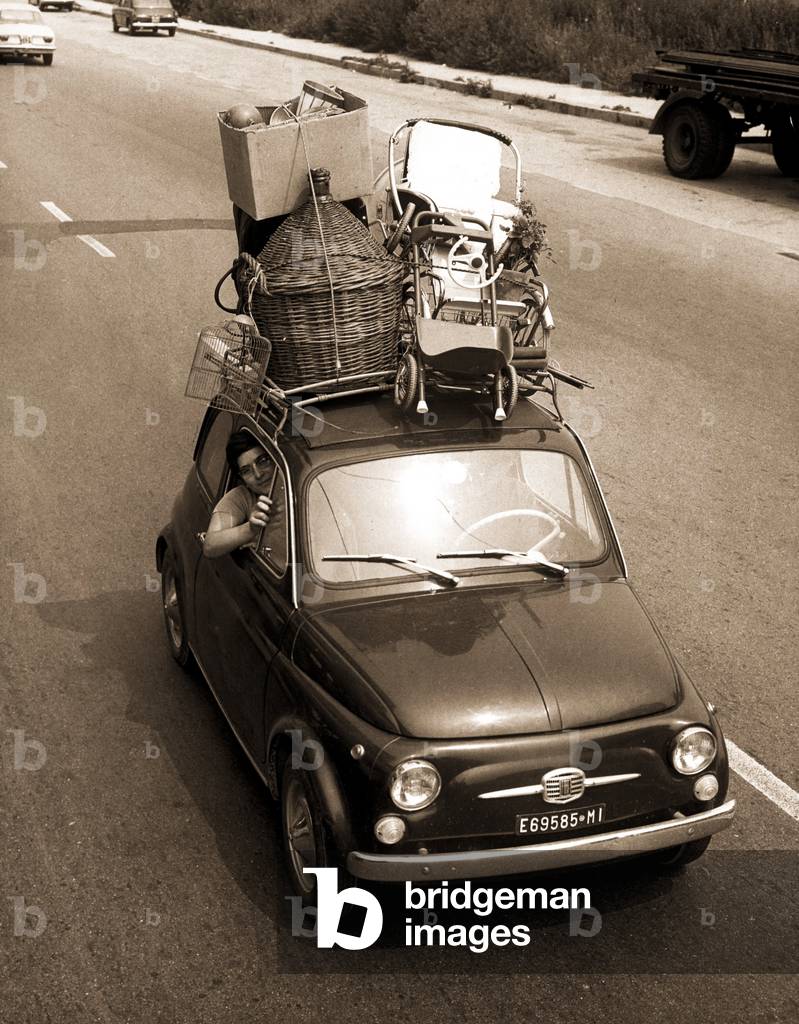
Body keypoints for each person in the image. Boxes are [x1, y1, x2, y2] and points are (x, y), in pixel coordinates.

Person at [203, 430, 275, 559]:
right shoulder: (242, 496)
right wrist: (251, 529)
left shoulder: (301, 486)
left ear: (275, 460)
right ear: (242, 479)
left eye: (263, 461)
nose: (258, 475)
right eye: (246, 471)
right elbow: (210, 545)